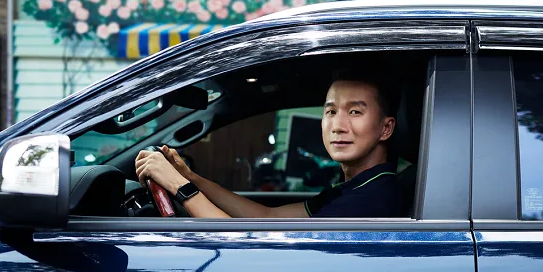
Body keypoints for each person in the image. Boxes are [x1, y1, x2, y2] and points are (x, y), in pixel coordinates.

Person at [134, 70, 406, 218]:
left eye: (355, 112)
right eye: (331, 111)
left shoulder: (372, 199)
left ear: (386, 128)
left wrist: (177, 185)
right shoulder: (355, 187)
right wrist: (191, 177)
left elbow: (241, 244)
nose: (338, 125)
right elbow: (267, 215)